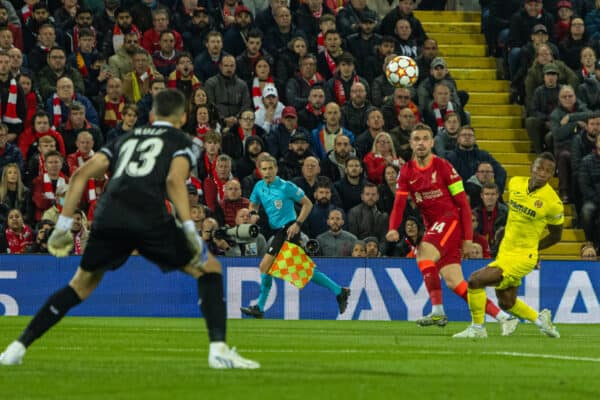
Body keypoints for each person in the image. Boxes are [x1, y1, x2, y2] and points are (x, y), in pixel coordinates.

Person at [0, 89, 259, 369]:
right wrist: (187, 227)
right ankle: (218, 350)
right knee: (209, 268)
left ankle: (17, 348)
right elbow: (174, 180)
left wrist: (62, 226)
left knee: (79, 286)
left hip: (109, 215)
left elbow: (80, 174)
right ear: (184, 117)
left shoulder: (125, 139)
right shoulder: (183, 141)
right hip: (149, 216)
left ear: (151, 115)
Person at [385, 124, 515, 331]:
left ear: (432, 142)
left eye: (425, 138)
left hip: (449, 221)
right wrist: (393, 227)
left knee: (423, 255)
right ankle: (503, 317)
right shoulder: (406, 172)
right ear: (410, 143)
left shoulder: (443, 166)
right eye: (416, 139)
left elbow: (463, 204)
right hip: (434, 227)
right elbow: (399, 204)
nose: (420, 143)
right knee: (455, 282)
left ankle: (437, 311)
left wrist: (468, 239)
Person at [453, 153, 563, 339]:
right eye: (539, 168)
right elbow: (515, 216)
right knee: (506, 302)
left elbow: (556, 236)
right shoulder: (516, 183)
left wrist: (535, 249)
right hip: (506, 250)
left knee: (475, 280)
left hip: (523, 256)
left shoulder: (553, 203)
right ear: (532, 167)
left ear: (552, 175)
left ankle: (478, 328)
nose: (542, 173)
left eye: (548, 171)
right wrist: (502, 232)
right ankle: (540, 320)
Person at [240, 154, 350, 319]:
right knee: (301, 269)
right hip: (277, 230)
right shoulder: (258, 187)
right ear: (260, 171)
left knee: (265, 266)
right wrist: (253, 213)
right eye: (264, 169)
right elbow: (253, 202)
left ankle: (260, 307)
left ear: (276, 169)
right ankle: (339, 291)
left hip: (289, 229)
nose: (268, 172)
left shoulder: (286, 187)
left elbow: (308, 203)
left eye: (271, 168)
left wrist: (297, 224)